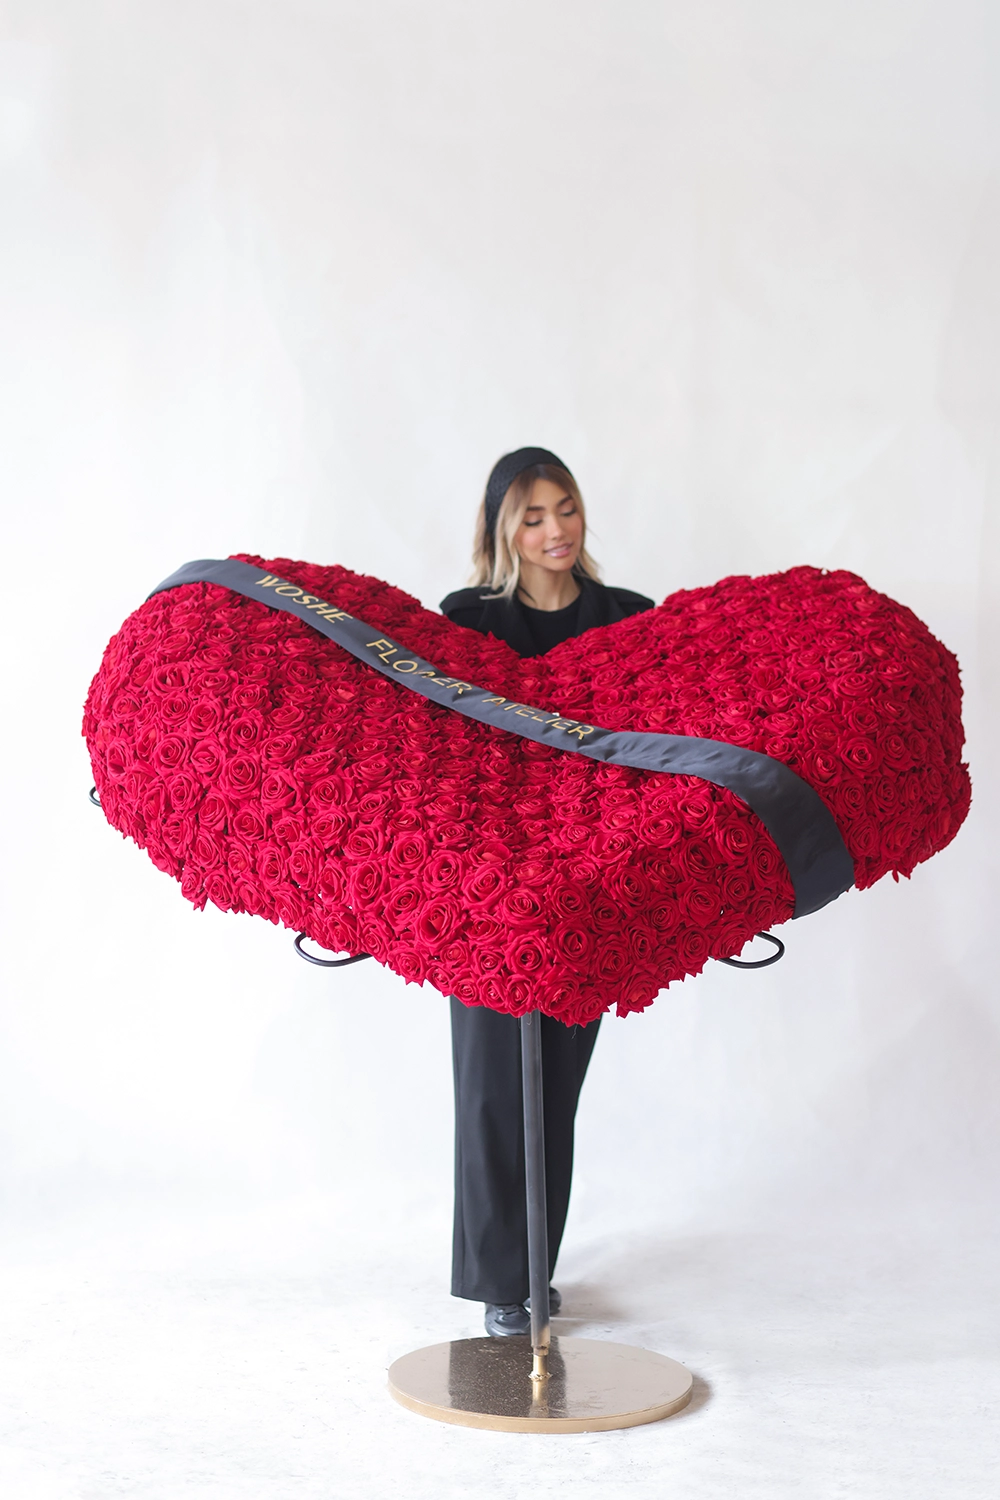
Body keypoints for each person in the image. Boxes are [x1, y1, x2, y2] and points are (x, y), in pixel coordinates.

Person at [440, 447, 654, 1336]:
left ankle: (535, 1266)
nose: (555, 529)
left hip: (589, 886)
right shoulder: (467, 620)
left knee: (555, 1085)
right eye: (532, 517)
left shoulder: (628, 616)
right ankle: (501, 1283)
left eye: (564, 507)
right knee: (494, 1086)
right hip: (489, 888)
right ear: (503, 530)